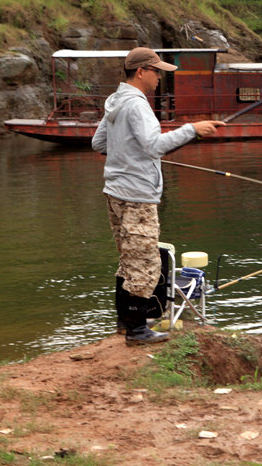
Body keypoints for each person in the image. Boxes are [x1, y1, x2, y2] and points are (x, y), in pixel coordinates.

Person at [92, 47, 224, 345]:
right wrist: (193, 129)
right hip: (137, 195)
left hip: (114, 192)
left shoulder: (115, 101)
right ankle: (137, 331)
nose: (160, 78)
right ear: (141, 72)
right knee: (146, 264)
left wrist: (128, 154)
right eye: (157, 72)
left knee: (128, 259)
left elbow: (99, 142)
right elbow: (154, 146)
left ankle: (126, 324)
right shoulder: (137, 105)